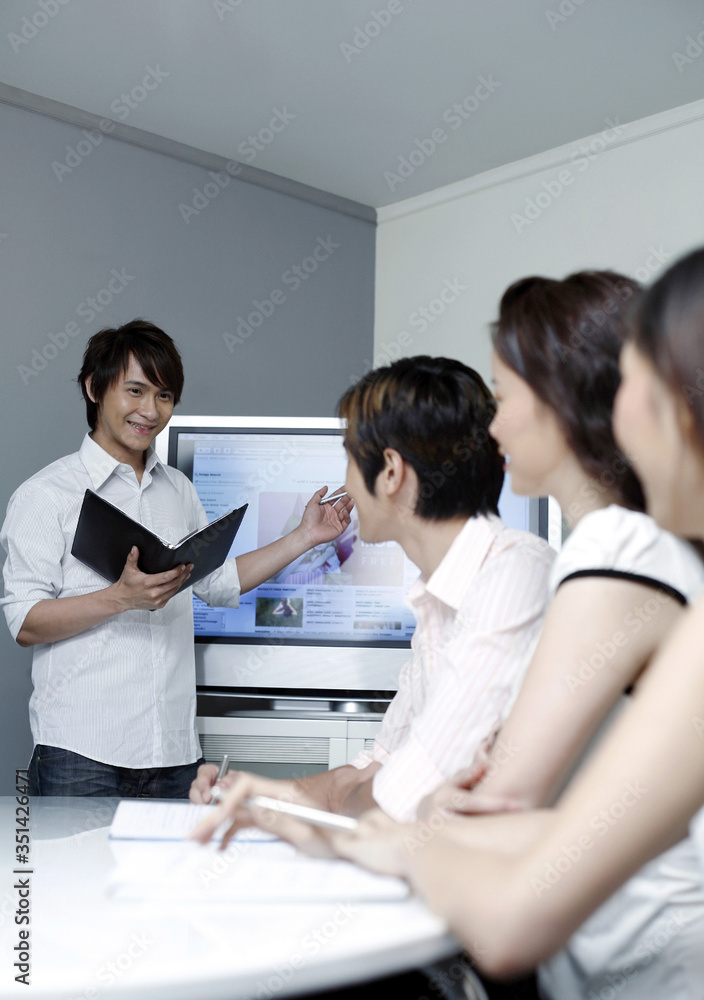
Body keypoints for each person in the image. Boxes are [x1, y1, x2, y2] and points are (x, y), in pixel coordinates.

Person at [257, 250, 704, 995]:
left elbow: (496, 808)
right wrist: (407, 818)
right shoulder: (627, 560)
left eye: (503, 394)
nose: (491, 425)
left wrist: (400, 835)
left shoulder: (612, 550)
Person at [190, 355, 555, 827]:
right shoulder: (434, 602)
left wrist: (351, 795)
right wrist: (252, 792)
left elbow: (398, 801)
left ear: (390, 472)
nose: (346, 481)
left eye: (348, 458)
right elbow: (377, 767)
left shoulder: (513, 576)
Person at [0, 319, 352, 798]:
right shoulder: (45, 495)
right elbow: (24, 622)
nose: (150, 411)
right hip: (80, 752)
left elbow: (218, 584)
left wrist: (305, 537)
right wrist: (120, 598)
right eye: (136, 391)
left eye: (164, 396)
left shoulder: (178, 490)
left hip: (173, 753)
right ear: (94, 388)